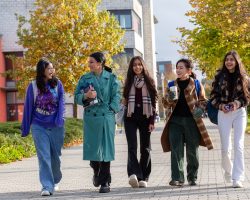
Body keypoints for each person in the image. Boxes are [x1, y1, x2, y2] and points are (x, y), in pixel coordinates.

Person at [161, 58, 213, 187]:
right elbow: (166, 104)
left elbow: (203, 100)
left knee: (192, 151)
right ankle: (177, 178)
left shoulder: (195, 83)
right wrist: (169, 99)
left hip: (192, 121)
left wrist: (200, 110)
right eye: (177, 67)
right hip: (175, 121)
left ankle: (192, 177)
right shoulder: (171, 84)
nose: (178, 70)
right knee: (176, 150)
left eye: (181, 67)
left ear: (189, 71)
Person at [74, 52, 120, 193]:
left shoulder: (111, 78)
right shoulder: (85, 78)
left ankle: (105, 181)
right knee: (93, 150)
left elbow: (117, 94)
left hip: (106, 115)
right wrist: (86, 95)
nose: (89, 65)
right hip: (91, 117)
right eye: (89, 62)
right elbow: (76, 97)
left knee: (106, 149)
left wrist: (112, 108)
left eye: (92, 62)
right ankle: (96, 170)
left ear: (100, 63)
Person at [21, 58, 65, 196]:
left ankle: (55, 179)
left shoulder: (58, 84)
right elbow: (28, 107)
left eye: (53, 68)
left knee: (55, 157)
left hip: (56, 125)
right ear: (42, 71)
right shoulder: (33, 86)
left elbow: (62, 104)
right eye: (49, 68)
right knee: (44, 156)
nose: (52, 70)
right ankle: (46, 185)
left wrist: (59, 120)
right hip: (38, 125)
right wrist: (25, 128)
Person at [210, 50, 250, 188]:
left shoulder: (244, 77)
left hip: (239, 112)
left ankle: (237, 178)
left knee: (238, 145)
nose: (229, 62)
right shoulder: (219, 76)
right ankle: (229, 170)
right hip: (224, 113)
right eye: (227, 59)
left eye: (232, 59)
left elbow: (247, 97)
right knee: (225, 148)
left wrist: (236, 104)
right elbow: (213, 97)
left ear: (237, 61)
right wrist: (221, 106)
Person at [122, 56, 158, 188]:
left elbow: (154, 103)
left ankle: (144, 177)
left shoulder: (150, 82)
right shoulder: (128, 82)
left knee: (145, 148)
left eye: (139, 64)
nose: (137, 67)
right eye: (134, 65)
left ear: (143, 66)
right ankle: (133, 174)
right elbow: (124, 99)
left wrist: (152, 121)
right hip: (130, 117)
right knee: (132, 147)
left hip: (145, 117)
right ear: (131, 68)